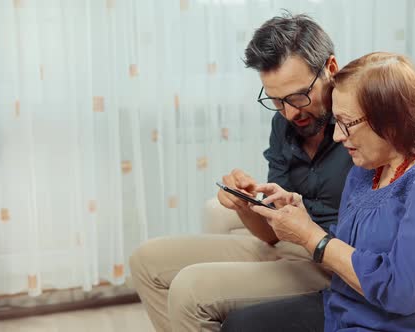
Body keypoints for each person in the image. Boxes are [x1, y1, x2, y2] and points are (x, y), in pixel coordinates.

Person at [222, 52, 415, 331]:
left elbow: (405, 290)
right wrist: (302, 217)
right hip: (352, 310)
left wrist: (312, 238)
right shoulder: (366, 168)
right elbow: (352, 251)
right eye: (337, 122)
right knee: (238, 325)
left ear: (392, 119)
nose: (338, 136)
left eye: (347, 124)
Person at [129, 13, 353, 332]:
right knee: (147, 260)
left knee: (190, 289)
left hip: (330, 261)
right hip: (287, 248)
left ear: (331, 69)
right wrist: (246, 205)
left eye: (298, 96)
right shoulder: (284, 125)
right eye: (276, 101)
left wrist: (311, 237)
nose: (290, 113)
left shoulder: (361, 126)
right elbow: (271, 233)